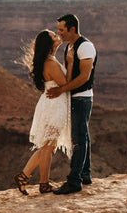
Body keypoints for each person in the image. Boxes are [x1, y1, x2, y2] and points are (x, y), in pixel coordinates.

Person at [14, 29, 71, 195]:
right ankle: (44, 184)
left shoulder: (49, 60)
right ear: (49, 43)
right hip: (55, 106)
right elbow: (64, 83)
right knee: (47, 147)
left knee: (48, 146)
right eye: (54, 36)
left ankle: (24, 176)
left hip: (50, 104)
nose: (58, 36)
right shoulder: (50, 63)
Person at [46, 13, 96, 194]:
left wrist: (62, 90)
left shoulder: (85, 47)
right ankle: (85, 175)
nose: (59, 34)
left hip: (82, 98)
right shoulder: (70, 47)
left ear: (72, 29)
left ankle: (74, 181)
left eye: (62, 30)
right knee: (83, 136)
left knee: (79, 139)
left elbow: (84, 76)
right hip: (75, 97)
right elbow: (71, 73)